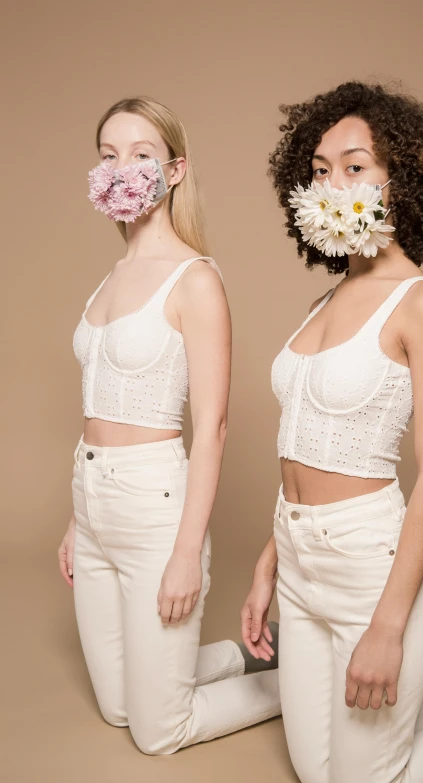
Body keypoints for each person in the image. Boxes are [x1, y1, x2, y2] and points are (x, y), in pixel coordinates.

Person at [241, 81, 423, 783]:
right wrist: (270, 561)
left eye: (355, 165)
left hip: (370, 563)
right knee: (314, 769)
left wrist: (389, 626)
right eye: (319, 170)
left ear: (404, 178)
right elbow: (306, 440)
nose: (333, 182)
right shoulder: (322, 300)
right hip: (299, 557)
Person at [58, 96, 280, 755]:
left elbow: (211, 428)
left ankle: (299, 677)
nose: (122, 169)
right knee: (119, 707)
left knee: (158, 732)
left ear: (175, 170)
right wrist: (78, 516)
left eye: (142, 154)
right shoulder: (110, 277)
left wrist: (188, 550)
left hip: (156, 507)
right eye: (108, 156)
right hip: (92, 498)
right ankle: (243, 655)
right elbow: (98, 407)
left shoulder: (195, 280)